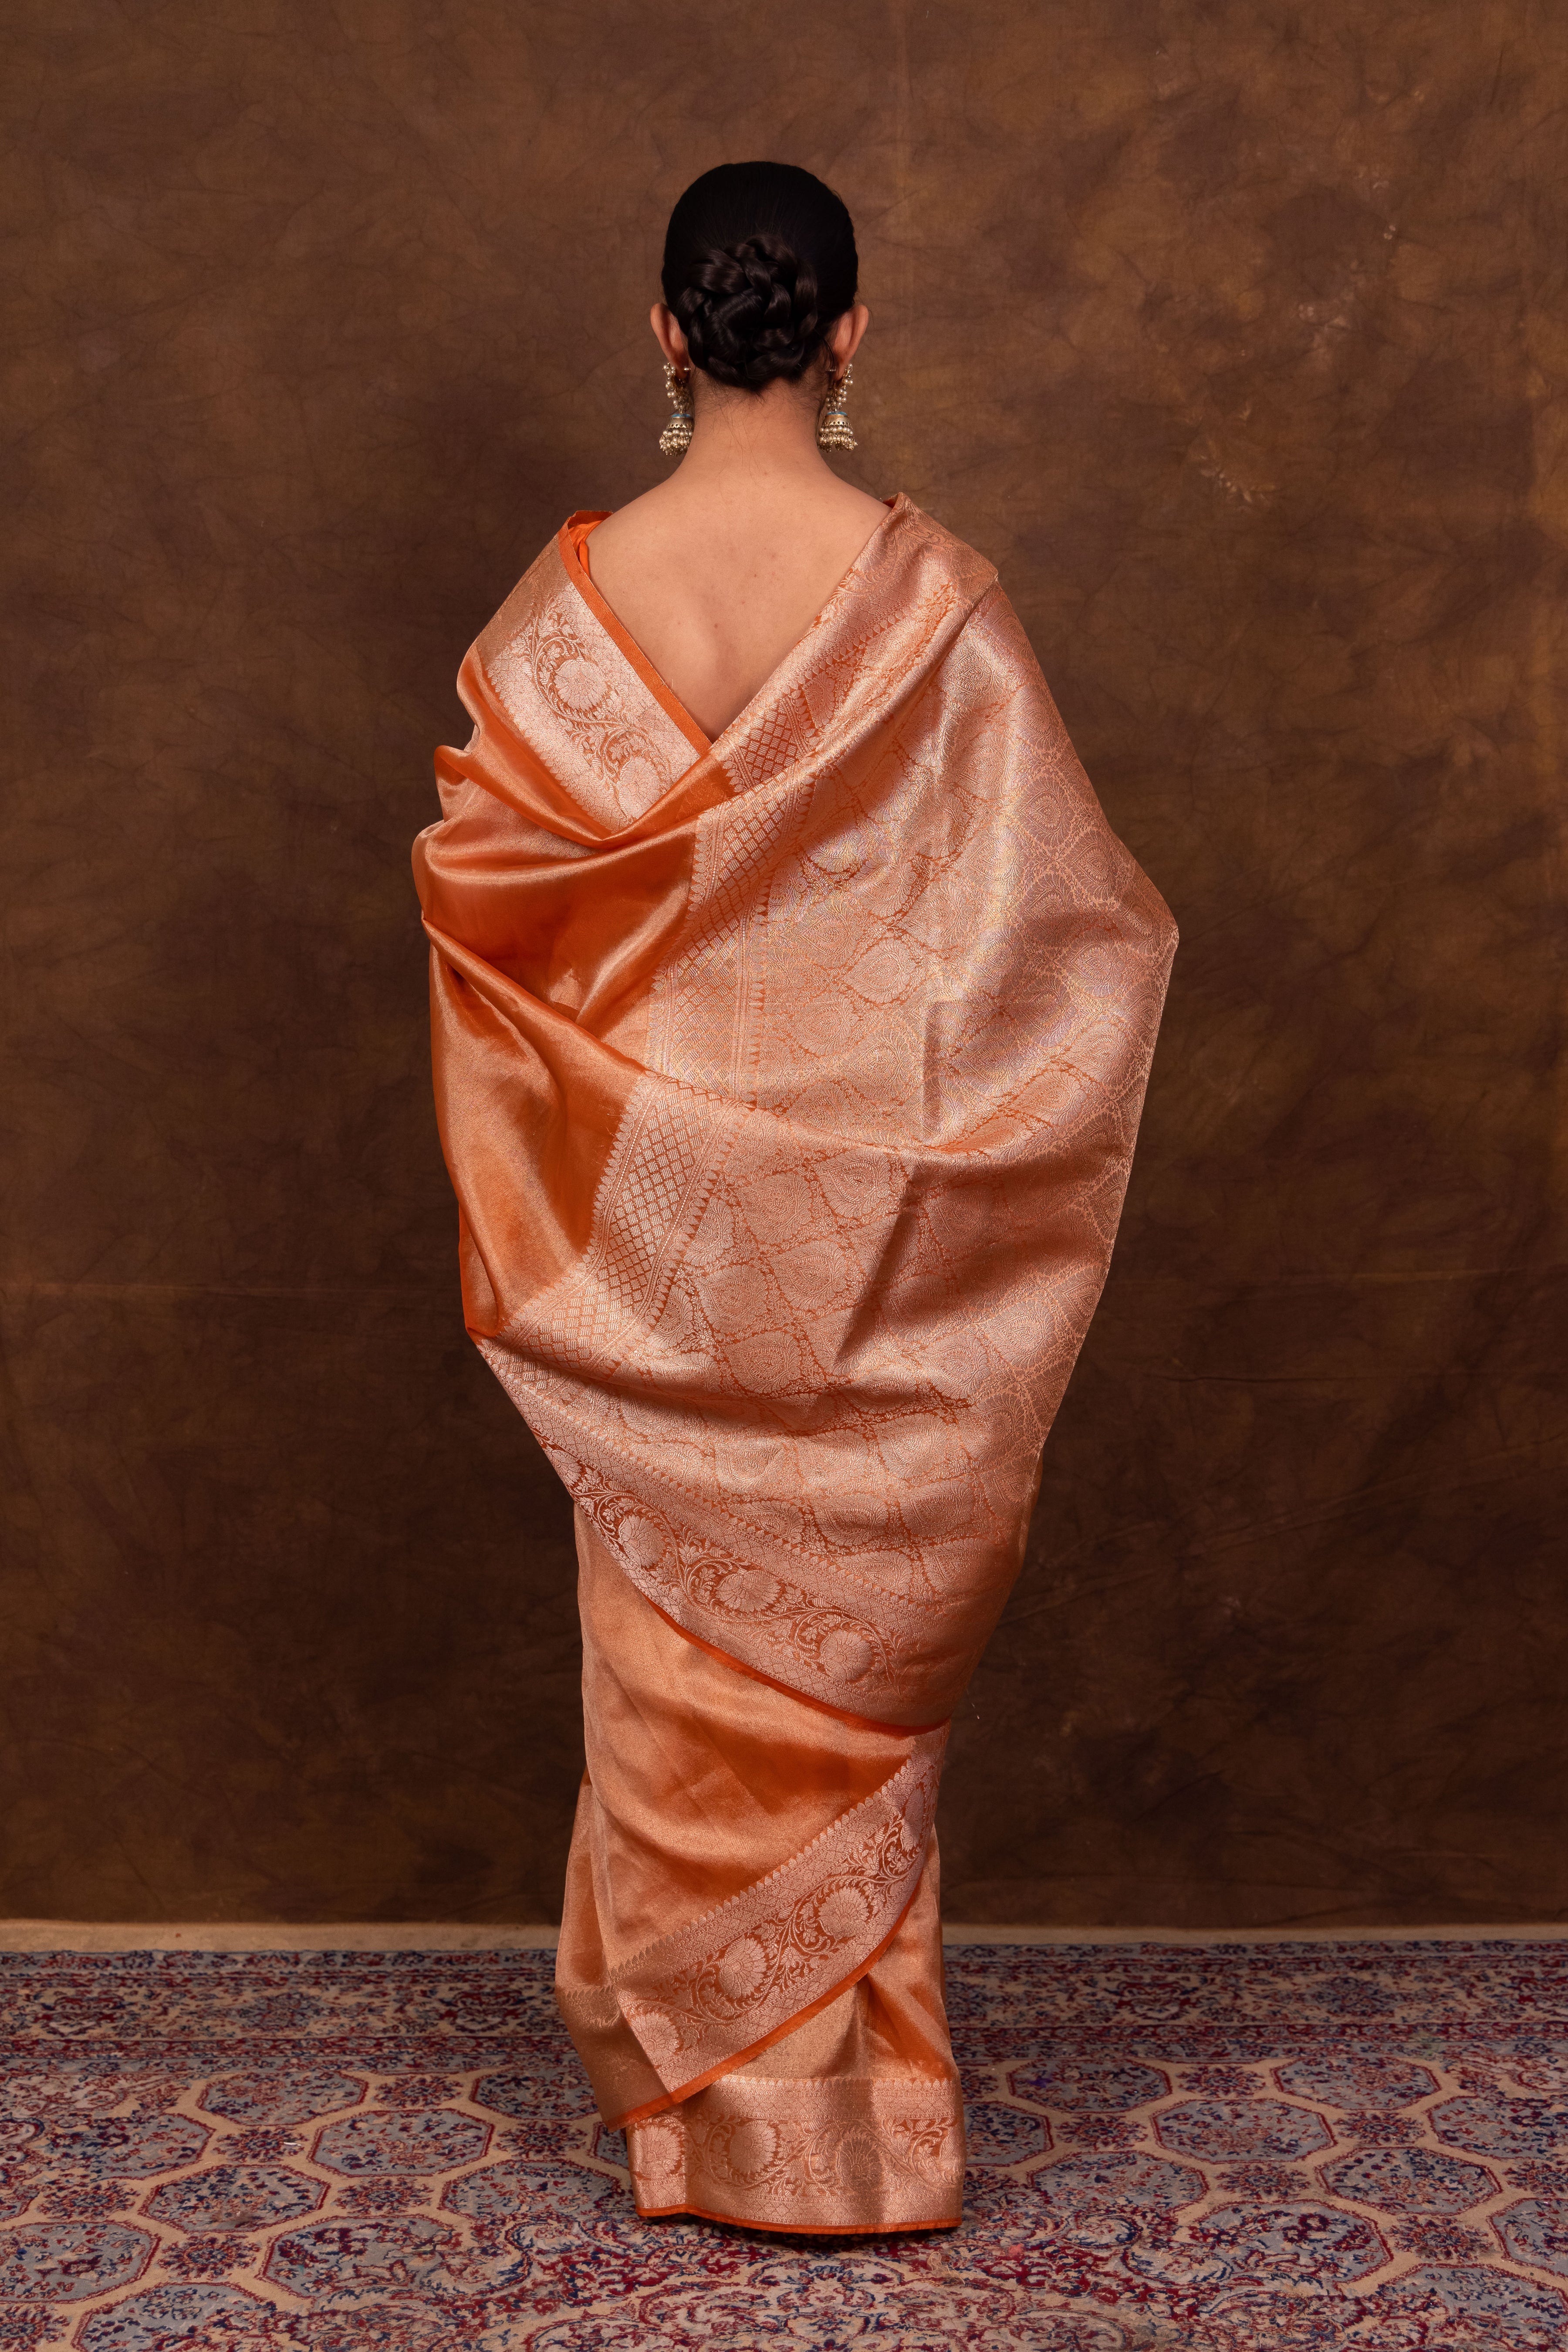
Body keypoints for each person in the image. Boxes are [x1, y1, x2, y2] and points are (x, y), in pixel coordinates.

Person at [413, 160, 1177, 2235]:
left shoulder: (577, 610)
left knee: (676, 1673)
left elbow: (489, 909)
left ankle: (705, 2135)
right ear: (849, 332)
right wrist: (906, 1140)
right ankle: (858, 2134)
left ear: (668, 333)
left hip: (645, 1242)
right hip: (871, 1241)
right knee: (823, 1679)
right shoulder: (935, 606)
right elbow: (1063, 939)